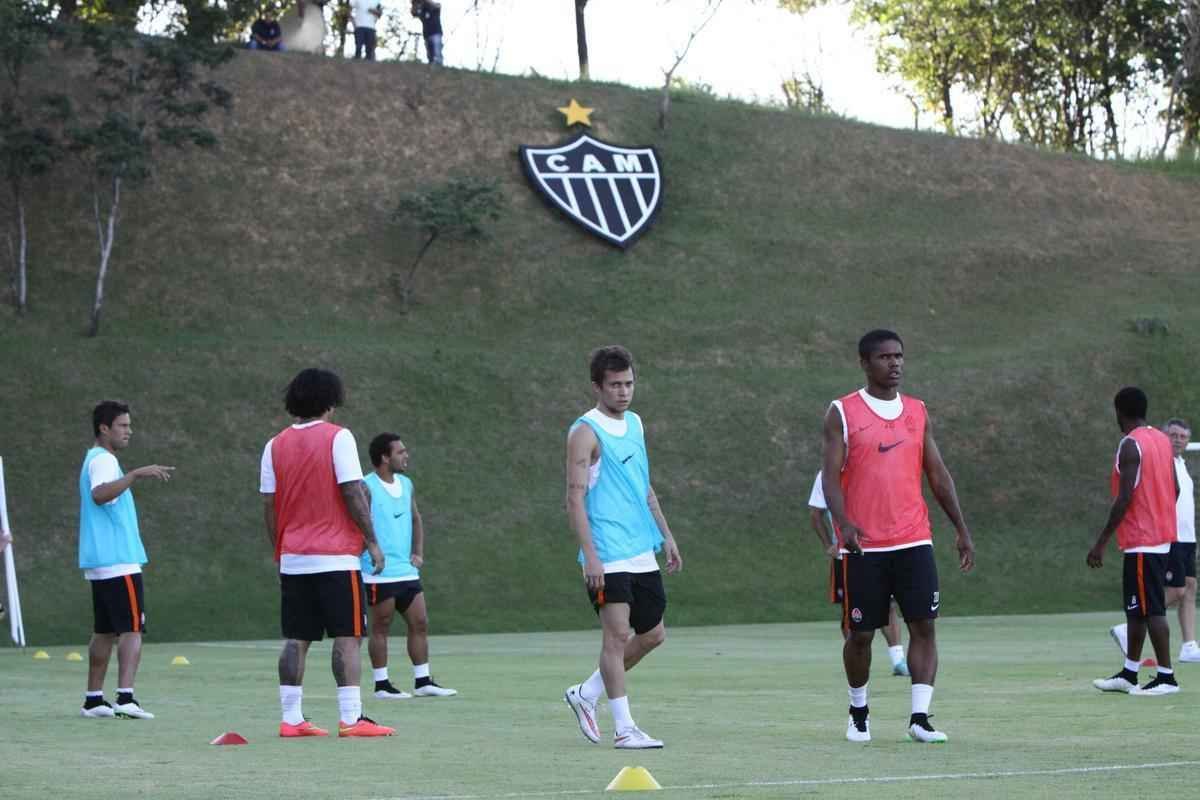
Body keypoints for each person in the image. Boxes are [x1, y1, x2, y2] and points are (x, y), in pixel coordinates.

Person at [821, 329, 975, 744]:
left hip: (914, 540)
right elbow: (830, 478)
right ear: (865, 363)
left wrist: (960, 527)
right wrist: (844, 523)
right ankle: (858, 711)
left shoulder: (917, 411)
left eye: (900, 356)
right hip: (864, 545)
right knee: (861, 635)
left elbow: (938, 475)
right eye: (885, 357)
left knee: (924, 626)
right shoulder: (842, 411)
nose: (895, 364)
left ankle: (920, 718)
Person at [260, 368, 395, 738]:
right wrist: (371, 540)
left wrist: (280, 552)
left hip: (294, 557)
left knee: (296, 638)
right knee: (347, 636)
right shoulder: (339, 438)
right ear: (329, 402)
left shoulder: (274, 445)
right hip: (335, 557)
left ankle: (291, 720)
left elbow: (270, 507)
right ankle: (351, 718)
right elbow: (352, 490)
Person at [562, 346, 683, 750]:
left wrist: (665, 533)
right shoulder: (585, 433)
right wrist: (591, 555)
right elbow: (574, 498)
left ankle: (585, 694)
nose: (624, 391)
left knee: (653, 634)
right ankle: (625, 728)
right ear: (597, 386)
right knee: (615, 636)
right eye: (615, 385)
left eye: (629, 383)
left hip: (640, 548)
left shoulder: (635, 423)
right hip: (607, 552)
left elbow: (643, 485)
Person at [78, 401, 174, 720]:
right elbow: (100, 494)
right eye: (122, 425)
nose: (128, 431)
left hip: (101, 560)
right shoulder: (104, 460)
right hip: (119, 560)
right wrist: (135, 474)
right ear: (104, 428)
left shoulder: (95, 458)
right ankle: (125, 697)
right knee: (132, 629)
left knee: (104, 631)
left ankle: (93, 700)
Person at [1089, 387, 1180, 696]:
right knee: (1136, 610)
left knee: (1152, 609)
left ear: (1120, 411)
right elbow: (1176, 488)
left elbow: (1124, 497)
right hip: (1161, 537)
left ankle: (1166, 677)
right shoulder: (1162, 440)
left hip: (1144, 540)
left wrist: (1101, 542)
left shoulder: (1130, 444)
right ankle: (1130, 673)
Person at [364, 433, 457, 700]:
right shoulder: (365, 486)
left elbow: (416, 519)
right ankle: (382, 685)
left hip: (406, 570)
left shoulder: (406, 484)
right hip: (378, 573)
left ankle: (423, 681)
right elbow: (358, 524)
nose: (406, 456)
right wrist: (371, 551)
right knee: (380, 627)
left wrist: (418, 552)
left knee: (420, 622)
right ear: (384, 457)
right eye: (400, 452)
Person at [1108, 417, 1200, 664]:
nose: (1178, 440)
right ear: (1163, 436)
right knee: (1177, 589)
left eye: (1183, 436)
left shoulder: (1180, 463)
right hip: (1170, 535)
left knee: (1190, 587)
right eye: (1174, 435)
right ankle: (1128, 628)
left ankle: (1190, 644)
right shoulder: (1160, 460)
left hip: (1187, 535)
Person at [808, 470, 908, 675]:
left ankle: (899, 661)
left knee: (888, 605)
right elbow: (815, 513)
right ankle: (855, 659)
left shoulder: (873, 468)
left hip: (879, 551)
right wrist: (829, 545)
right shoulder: (826, 475)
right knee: (852, 613)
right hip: (846, 556)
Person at [411, 0, 443, 65]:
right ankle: (431, 66)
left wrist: (426, 1)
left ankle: (439, 66)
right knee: (430, 54)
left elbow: (438, 6)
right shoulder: (421, 11)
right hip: (427, 34)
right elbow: (413, 13)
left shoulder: (434, 8)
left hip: (436, 32)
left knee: (437, 52)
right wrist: (415, 4)